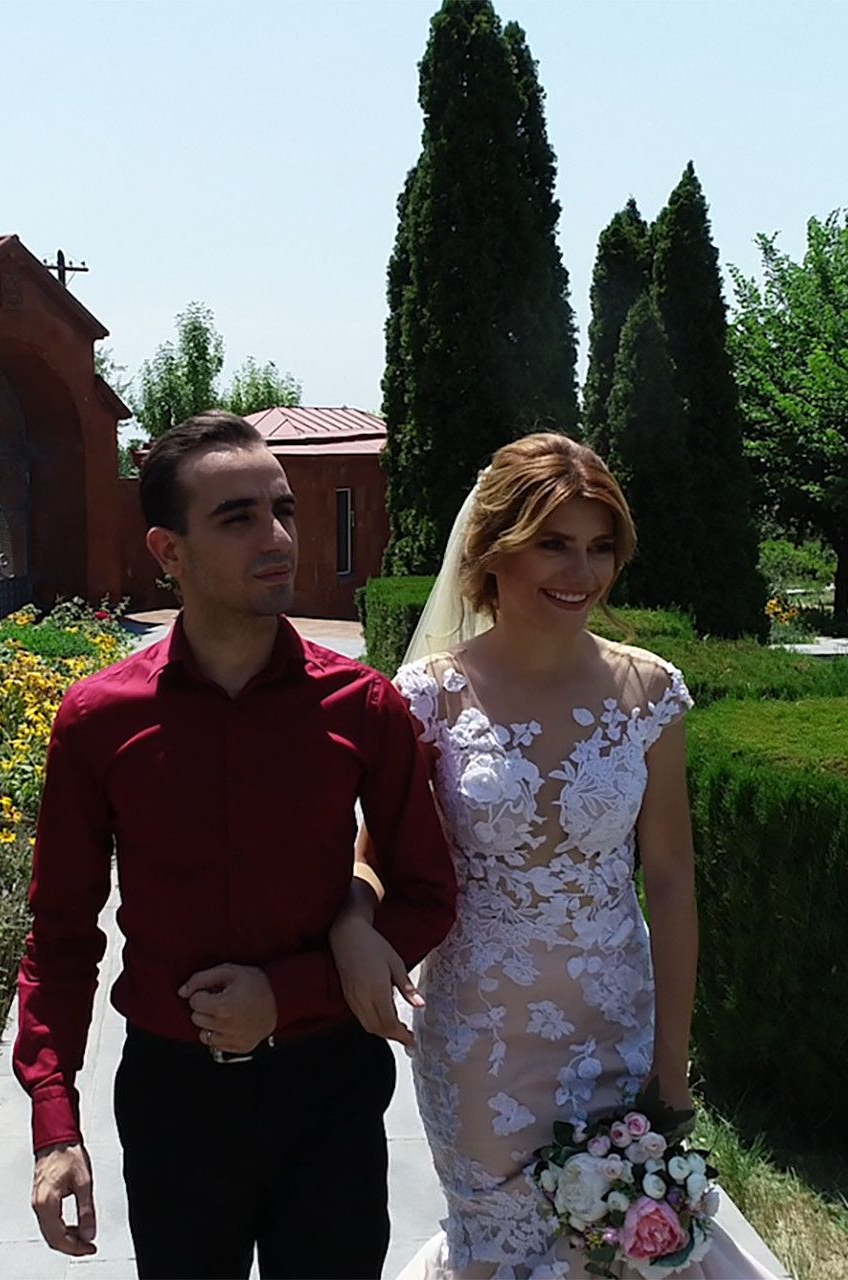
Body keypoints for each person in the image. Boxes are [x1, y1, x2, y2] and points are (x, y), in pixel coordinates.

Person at [13, 411, 459, 1279]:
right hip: (174, 1102)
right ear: (168, 551)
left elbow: (428, 892)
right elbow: (60, 938)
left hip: (329, 1091)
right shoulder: (100, 720)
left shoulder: (362, 706)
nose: (277, 537)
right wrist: (54, 1126)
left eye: (282, 509)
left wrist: (289, 994)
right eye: (237, 517)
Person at [331, 433, 785, 1279]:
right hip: (478, 1040)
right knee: (501, 1248)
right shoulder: (427, 697)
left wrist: (672, 1067)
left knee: (620, 1252)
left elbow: (671, 884)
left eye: (599, 547)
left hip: (615, 1026)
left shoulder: (649, 691)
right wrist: (354, 924)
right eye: (553, 544)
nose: (582, 572)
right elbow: (374, 858)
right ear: (494, 548)